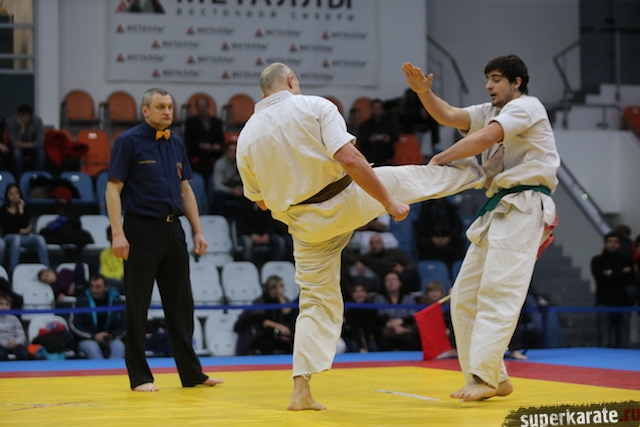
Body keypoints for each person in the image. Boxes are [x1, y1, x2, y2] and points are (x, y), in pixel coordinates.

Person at [236, 62, 499, 410]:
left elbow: (260, 202)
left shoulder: (246, 137)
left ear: (263, 91)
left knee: (315, 300)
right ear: (290, 80)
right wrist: (388, 202)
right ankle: (484, 172)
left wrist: (296, 195)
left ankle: (301, 389)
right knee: (413, 179)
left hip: (304, 224)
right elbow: (350, 158)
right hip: (347, 198)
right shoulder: (314, 106)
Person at [403, 54, 560, 401]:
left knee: (498, 291)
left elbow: (487, 137)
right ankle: (495, 377)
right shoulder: (491, 111)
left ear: (517, 82)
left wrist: (441, 158)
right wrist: (423, 92)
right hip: (499, 207)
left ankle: (484, 376)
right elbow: (449, 115)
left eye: (497, 79)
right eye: (488, 78)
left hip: (525, 204)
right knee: (464, 296)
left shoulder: (526, 107)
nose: (489, 85)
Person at [105, 87, 223, 392]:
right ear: (145, 111)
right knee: (138, 305)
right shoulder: (128, 141)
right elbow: (113, 188)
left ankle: (192, 374)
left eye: (169, 106)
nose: (167, 111)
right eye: (160, 107)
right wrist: (117, 233)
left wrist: (198, 230)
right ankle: (140, 377)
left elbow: (185, 190)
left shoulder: (176, 142)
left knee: (182, 305)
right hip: (140, 230)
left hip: (174, 230)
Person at [591, 231, 635, 348]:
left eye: (615, 242)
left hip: (623, 304)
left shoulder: (626, 260)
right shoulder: (597, 260)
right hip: (604, 303)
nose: (613, 244)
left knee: (623, 343)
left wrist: (610, 273)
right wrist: (620, 272)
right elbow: (600, 278)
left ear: (619, 244)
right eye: (610, 242)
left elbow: (630, 278)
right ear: (605, 244)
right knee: (604, 341)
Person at [234, 275, 297, 355]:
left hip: (281, 335)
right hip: (264, 335)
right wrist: (279, 327)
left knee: (293, 343)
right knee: (266, 344)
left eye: (281, 286)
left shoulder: (284, 300)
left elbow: (288, 314)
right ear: (268, 288)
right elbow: (262, 321)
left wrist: (280, 296)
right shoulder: (260, 301)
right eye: (274, 287)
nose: (278, 290)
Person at [70, 274, 126, 359]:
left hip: (111, 337)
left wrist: (112, 335)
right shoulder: (81, 301)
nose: (94, 290)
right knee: (92, 348)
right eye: (92, 286)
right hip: (87, 339)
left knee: (119, 347)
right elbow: (74, 325)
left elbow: (124, 323)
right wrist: (93, 336)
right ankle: (101, 368)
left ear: (106, 287)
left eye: (98, 287)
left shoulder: (116, 301)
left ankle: (113, 368)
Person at [0, 183, 50, 273]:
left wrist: (21, 210)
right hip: (8, 237)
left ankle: (47, 270)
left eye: (16, 193)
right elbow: (5, 228)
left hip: (23, 237)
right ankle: (13, 272)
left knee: (40, 239)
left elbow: (24, 226)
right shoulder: (2, 210)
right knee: (16, 238)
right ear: (7, 195)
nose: (14, 196)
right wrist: (19, 230)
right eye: (11, 193)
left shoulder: (25, 208)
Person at [350, 233, 421, 293]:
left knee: (412, 275)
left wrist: (403, 268)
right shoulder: (368, 257)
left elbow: (413, 264)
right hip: (382, 282)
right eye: (371, 243)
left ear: (382, 243)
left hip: (400, 278)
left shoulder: (395, 253)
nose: (374, 245)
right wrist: (357, 262)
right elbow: (348, 256)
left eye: (377, 242)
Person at [372, 272, 420, 351]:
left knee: (414, 344)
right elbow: (380, 317)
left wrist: (400, 321)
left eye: (394, 279)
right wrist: (395, 326)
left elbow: (413, 316)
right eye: (388, 280)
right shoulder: (379, 298)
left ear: (400, 283)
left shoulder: (409, 298)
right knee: (384, 345)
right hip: (387, 334)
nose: (391, 282)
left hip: (407, 332)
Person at [415, 198, 466, 270]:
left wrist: (449, 237)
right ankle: (429, 267)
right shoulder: (426, 207)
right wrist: (432, 237)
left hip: (448, 237)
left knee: (460, 241)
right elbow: (421, 226)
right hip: (431, 237)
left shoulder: (450, 207)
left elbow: (458, 226)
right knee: (423, 243)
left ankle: (457, 267)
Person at [183, 96, 225, 179]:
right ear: (197, 108)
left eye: (204, 105)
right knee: (204, 154)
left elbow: (221, 138)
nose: (202, 108)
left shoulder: (217, 121)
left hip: (213, 148)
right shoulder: (190, 122)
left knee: (225, 154)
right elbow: (188, 139)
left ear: (208, 107)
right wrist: (201, 145)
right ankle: (203, 179)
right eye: (200, 106)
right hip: (197, 149)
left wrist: (218, 145)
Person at [235, 197, 286, 265]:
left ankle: (276, 265)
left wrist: (267, 234)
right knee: (247, 242)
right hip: (248, 235)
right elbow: (240, 227)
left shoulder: (266, 206)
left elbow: (271, 223)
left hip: (264, 235)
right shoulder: (242, 206)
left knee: (279, 241)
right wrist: (252, 235)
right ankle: (250, 266)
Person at [356, 98, 400, 165]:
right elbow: (361, 140)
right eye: (374, 108)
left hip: (386, 149)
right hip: (370, 150)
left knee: (382, 148)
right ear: (371, 109)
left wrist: (389, 138)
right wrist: (369, 140)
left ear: (382, 109)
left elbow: (395, 136)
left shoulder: (390, 123)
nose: (377, 110)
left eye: (379, 107)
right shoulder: (365, 125)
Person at [6, 104, 45, 176]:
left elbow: (40, 142)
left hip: (32, 146)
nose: (23, 118)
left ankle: (38, 178)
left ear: (31, 116)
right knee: (16, 153)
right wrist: (22, 128)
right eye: (20, 115)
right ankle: (19, 179)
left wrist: (22, 145)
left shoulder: (37, 121)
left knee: (41, 154)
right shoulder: (12, 122)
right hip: (17, 147)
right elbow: (14, 141)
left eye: (26, 116)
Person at [211, 142, 243, 217]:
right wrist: (231, 191)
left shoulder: (240, 162)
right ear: (226, 152)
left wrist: (242, 189)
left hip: (237, 186)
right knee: (218, 195)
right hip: (225, 189)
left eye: (235, 150)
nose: (233, 153)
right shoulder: (220, 163)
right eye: (231, 151)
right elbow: (217, 185)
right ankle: (221, 218)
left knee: (250, 195)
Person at [0, 293, 29, 360]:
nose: (4, 307)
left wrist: (15, 342)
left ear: (10, 306)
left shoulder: (15, 319)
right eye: (1, 304)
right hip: (1, 344)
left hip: (14, 343)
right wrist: (5, 343)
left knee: (23, 353)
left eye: (7, 304)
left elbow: (21, 336)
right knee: (1, 354)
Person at [99, 226, 125, 295]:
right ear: (108, 238)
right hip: (112, 282)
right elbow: (105, 274)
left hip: (127, 282)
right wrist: (120, 275)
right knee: (104, 282)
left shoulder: (129, 251)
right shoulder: (104, 254)